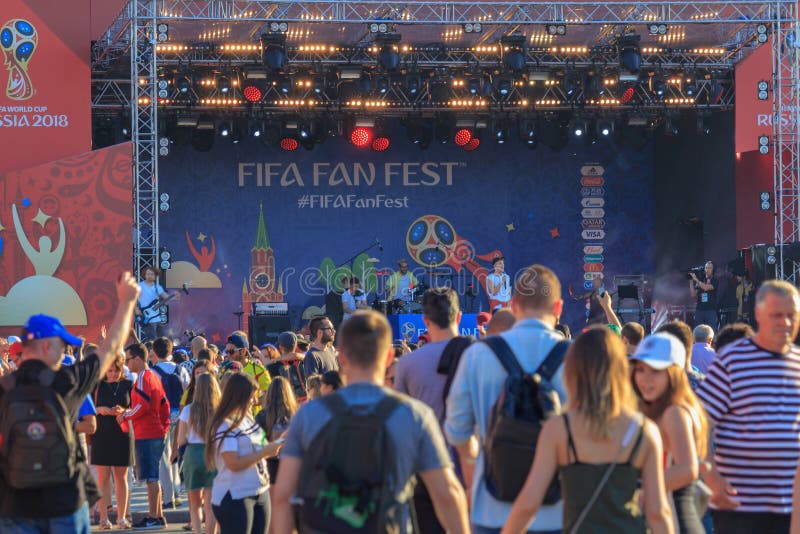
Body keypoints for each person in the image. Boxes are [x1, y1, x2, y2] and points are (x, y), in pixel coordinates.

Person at [271, 310, 470, 534]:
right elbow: (447, 494)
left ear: (342, 357)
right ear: (388, 356)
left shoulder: (309, 416)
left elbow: (283, 496)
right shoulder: (414, 415)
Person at [0, 272, 140, 533]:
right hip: (65, 502)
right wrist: (127, 302)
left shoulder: (5, 387)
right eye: (62, 345)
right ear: (45, 347)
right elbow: (110, 349)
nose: (65, 351)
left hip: (14, 506)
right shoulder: (67, 382)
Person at [501, 327, 672, 534]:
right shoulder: (644, 430)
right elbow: (657, 513)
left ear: (573, 370)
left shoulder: (559, 429)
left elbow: (528, 504)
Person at [445, 264, 567, 533]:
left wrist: (482, 460)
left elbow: (456, 432)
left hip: (492, 508)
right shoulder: (575, 358)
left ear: (513, 304)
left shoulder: (477, 355)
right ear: (557, 309)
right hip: (559, 512)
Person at [697, 280, 800, 533]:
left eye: (792, 315)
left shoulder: (798, 363)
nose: (785, 323)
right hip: (740, 507)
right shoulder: (732, 360)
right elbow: (696, 424)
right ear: (758, 315)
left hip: (790, 506)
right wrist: (711, 477)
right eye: (777, 315)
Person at [393, 286, 471, 534]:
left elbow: (400, 425)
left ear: (425, 321)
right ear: (459, 317)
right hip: (475, 470)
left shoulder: (407, 363)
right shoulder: (481, 356)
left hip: (424, 473)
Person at [631, 333, 709, 534]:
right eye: (640, 369)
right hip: (664, 517)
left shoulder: (673, 412)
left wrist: (643, 491)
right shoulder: (661, 408)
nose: (645, 378)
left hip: (674, 519)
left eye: (656, 371)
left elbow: (688, 469)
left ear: (673, 373)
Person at [205, 373, 283, 534]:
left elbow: (263, 447)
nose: (255, 402)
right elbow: (233, 463)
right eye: (251, 397)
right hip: (235, 495)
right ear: (239, 396)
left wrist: (279, 442)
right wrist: (265, 451)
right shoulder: (224, 424)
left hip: (259, 490)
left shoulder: (247, 419)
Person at [120, 342, 171, 530]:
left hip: (148, 432)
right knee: (153, 477)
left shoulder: (143, 376)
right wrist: (164, 427)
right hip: (154, 431)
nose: (127, 364)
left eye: (128, 360)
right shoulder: (152, 376)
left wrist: (125, 414)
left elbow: (142, 406)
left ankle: (154, 516)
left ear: (138, 359)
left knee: (151, 477)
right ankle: (157, 516)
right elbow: (164, 404)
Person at [174, 373, 220, 534]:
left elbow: (181, 439)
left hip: (193, 453)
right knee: (210, 503)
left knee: (194, 504)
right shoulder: (220, 411)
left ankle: (197, 531)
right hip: (212, 453)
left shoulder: (188, 410)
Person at [92, 354, 134, 530]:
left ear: (121, 369)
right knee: (102, 477)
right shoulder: (97, 385)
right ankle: (103, 519)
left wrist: (124, 410)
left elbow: (136, 408)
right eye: (109, 370)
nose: (112, 374)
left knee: (121, 477)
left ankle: (122, 517)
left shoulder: (128, 385)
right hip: (101, 433)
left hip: (122, 434)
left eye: (116, 371)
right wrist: (99, 409)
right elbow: (86, 408)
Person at [151, 336, 190, 509]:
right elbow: (188, 391)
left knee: (164, 457)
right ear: (171, 351)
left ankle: (168, 497)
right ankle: (176, 491)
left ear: (154, 352)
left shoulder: (152, 372)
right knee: (176, 454)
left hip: (161, 416)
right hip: (180, 415)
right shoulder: (181, 369)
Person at [221, 333, 271, 405]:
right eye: (226, 352)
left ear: (244, 351)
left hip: (252, 415)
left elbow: (269, 393)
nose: (228, 355)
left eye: (231, 352)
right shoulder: (224, 370)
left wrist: (254, 401)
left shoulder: (258, 370)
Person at [136, 267, 171, 341]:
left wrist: (175, 296)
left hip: (157, 317)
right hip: (147, 317)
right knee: (151, 340)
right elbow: (132, 298)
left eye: (152, 274)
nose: (150, 276)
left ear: (155, 276)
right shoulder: (140, 286)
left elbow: (166, 297)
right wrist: (136, 308)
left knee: (163, 340)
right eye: (148, 274)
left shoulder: (157, 287)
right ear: (144, 275)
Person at [689, 261, 719, 329]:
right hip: (699, 310)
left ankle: (711, 340)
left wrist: (696, 279)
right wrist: (691, 281)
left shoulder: (715, 280)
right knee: (698, 331)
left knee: (710, 332)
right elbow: (693, 294)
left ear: (713, 270)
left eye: (709, 268)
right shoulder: (700, 280)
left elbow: (706, 288)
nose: (707, 269)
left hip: (710, 310)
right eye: (706, 268)